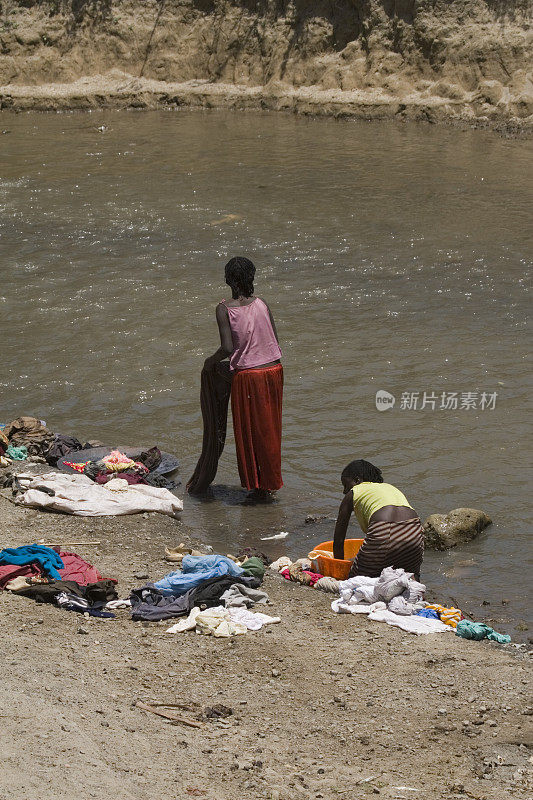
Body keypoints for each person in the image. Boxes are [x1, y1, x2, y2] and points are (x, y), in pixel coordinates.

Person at [202, 256, 283, 497]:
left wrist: (210, 362)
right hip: (274, 371)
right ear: (251, 278)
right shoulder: (262, 303)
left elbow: (227, 348)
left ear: (228, 280)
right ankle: (271, 483)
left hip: (250, 377)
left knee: (248, 433)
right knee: (270, 430)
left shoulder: (224, 309)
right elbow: (273, 341)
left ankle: (258, 487)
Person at [333, 459, 424, 579]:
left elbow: (339, 541)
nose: (344, 491)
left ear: (357, 480)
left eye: (345, 485)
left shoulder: (353, 492)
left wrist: (339, 569)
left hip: (384, 530)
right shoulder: (389, 487)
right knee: (409, 578)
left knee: (356, 580)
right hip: (415, 532)